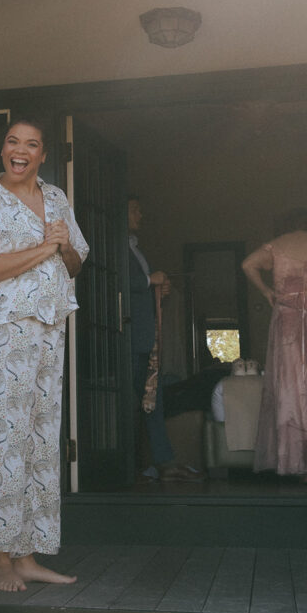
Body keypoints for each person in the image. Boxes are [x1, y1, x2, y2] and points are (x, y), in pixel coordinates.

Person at [0, 117, 89, 592]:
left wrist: (62, 248)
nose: (19, 151)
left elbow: (77, 260)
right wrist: (46, 248)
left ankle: (27, 555)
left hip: (49, 329)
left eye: (31, 145)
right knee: (3, 441)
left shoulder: (56, 196)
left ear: (43, 154)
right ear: (2, 150)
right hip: (5, 332)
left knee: (41, 443)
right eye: (12, 142)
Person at [241, 209, 307, 484]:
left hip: (288, 318)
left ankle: (304, 466)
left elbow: (247, 264)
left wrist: (266, 292)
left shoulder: (277, 245)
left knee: (292, 386)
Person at [127, 195, 203, 482]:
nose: (140, 215)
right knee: (139, 399)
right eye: (135, 210)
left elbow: (141, 287)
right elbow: (119, 280)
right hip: (128, 336)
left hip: (144, 335)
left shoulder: (136, 248)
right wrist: (150, 280)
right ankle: (143, 465)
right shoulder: (115, 247)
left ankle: (164, 462)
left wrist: (159, 288)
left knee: (152, 398)